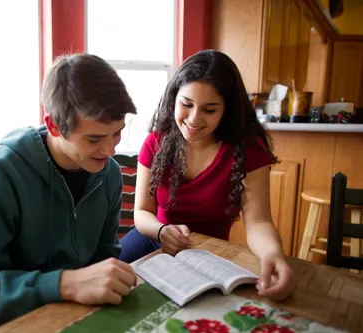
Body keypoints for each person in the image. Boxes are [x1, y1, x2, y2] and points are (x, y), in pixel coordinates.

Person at [0, 53, 138, 333]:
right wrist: (64, 284)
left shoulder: (108, 174)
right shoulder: (0, 173)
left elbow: (102, 257)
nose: (111, 150)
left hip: (60, 315)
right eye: (94, 138)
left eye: (117, 133)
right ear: (53, 125)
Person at [119, 50, 294, 301]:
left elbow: (259, 222)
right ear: (173, 98)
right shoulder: (156, 142)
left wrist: (273, 255)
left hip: (207, 254)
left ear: (227, 110)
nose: (193, 119)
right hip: (152, 238)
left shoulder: (247, 150)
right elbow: (141, 213)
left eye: (209, 110)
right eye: (186, 104)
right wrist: (162, 231)